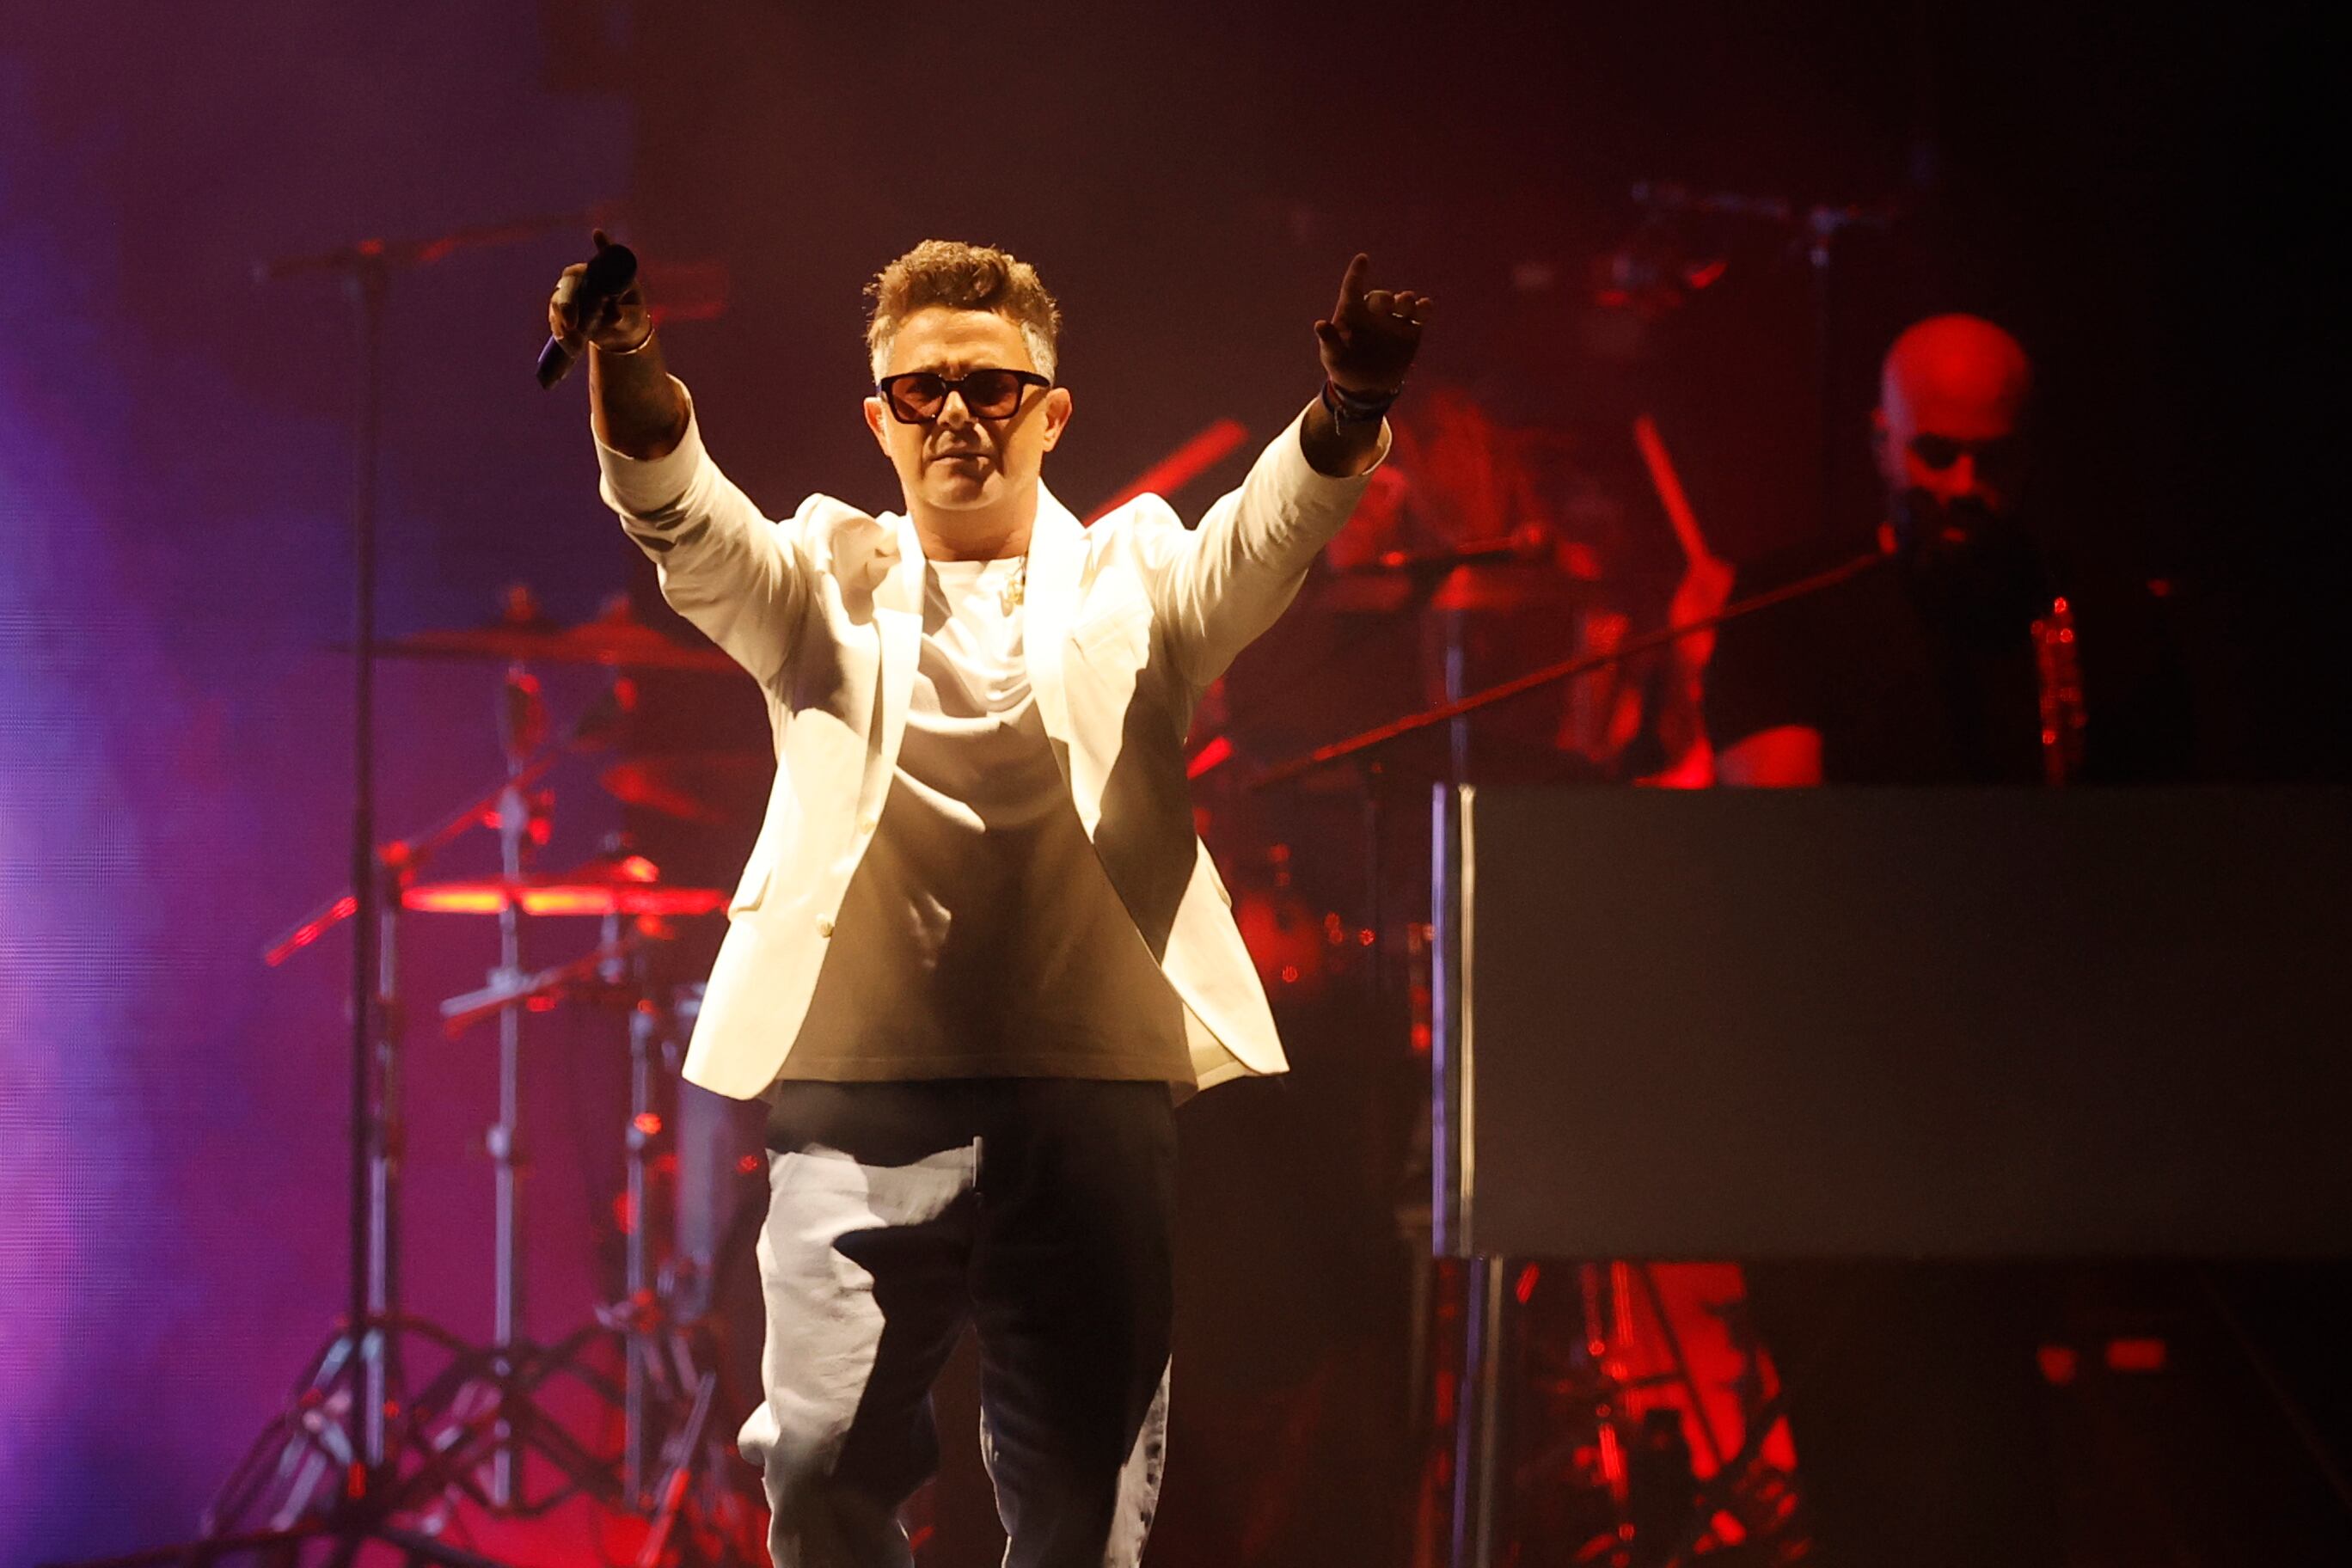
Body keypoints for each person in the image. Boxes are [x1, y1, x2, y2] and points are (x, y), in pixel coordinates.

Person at [548, 234, 1426, 1566]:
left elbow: (1262, 538)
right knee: (823, 1477)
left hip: (1085, 1098)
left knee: (1083, 1504)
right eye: (921, 389)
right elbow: (678, 509)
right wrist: (624, 357)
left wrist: (1348, 413)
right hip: (858, 1098)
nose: (956, 411)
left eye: (993, 385)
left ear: (1052, 411)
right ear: (880, 421)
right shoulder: (815, 585)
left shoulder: (1140, 577)